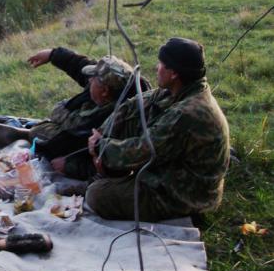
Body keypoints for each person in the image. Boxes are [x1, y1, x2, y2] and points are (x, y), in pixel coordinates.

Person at [85, 37, 230, 221]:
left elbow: (142, 151)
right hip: (171, 173)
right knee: (131, 122)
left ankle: (113, 181)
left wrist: (100, 147)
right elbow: (133, 106)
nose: (156, 67)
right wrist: (104, 131)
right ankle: (113, 177)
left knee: (96, 195)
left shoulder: (188, 114)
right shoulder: (181, 89)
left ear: (174, 73)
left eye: (161, 64)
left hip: (185, 195)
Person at [25, 46, 146, 180]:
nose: (88, 80)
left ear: (104, 91)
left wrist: (69, 165)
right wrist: (52, 54)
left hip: (94, 157)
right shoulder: (115, 85)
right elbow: (79, 65)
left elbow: (110, 166)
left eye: (92, 79)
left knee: (38, 132)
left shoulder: (116, 123)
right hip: (82, 134)